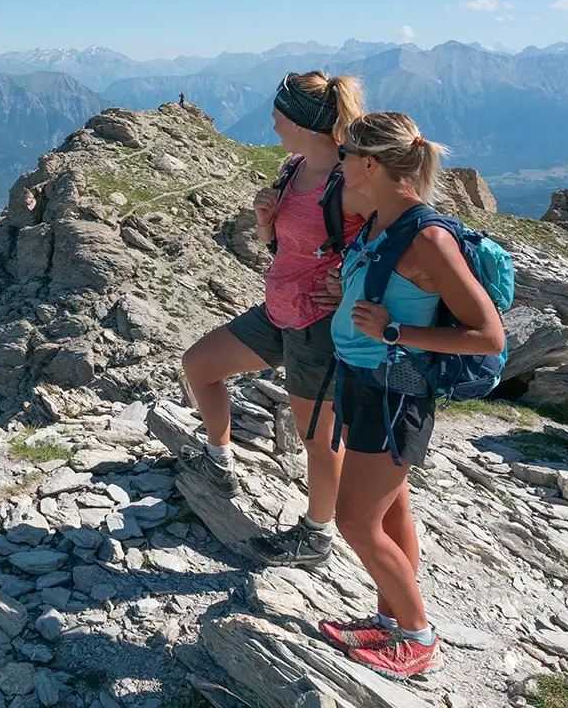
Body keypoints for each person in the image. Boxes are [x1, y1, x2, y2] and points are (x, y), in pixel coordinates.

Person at [317, 111, 504, 680]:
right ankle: (389, 617)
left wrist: (393, 332)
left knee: (354, 522)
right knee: (391, 512)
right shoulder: (378, 221)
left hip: (396, 394)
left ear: (370, 164)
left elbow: (488, 335)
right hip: (363, 382)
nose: (340, 165)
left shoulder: (427, 238)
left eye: (346, 155)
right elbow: (382, 293)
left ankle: (418, 636)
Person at [180, 71, 368, 567]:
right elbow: (285, 248)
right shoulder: (294, 167)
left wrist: (355, 286)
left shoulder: (351, 182)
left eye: (278, 116)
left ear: (304, 123)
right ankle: (219, 461)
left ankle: (316, 535)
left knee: (319, 438)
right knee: (199, 363)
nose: (272, 123)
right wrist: (267, 224)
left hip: (319, 329)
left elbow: (396, 243)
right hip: (280, 310)